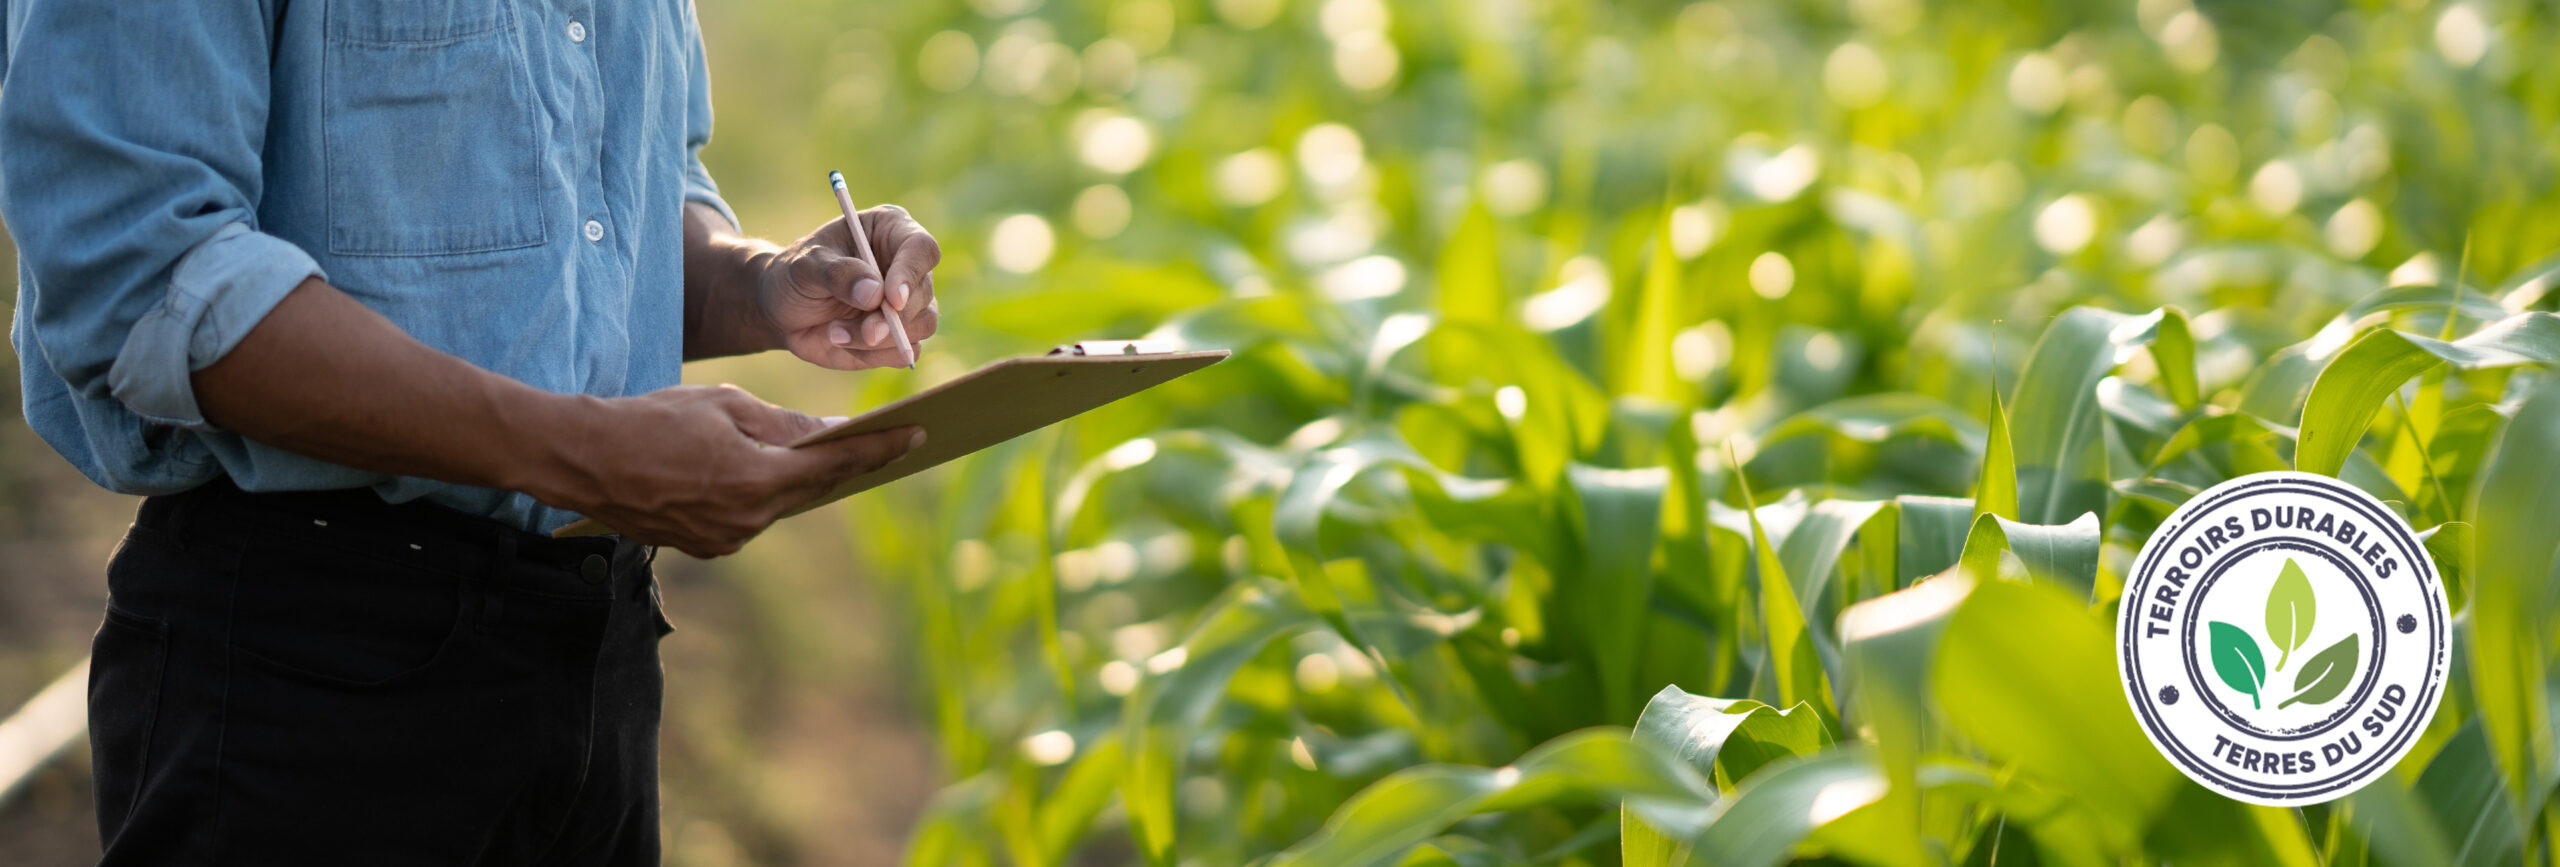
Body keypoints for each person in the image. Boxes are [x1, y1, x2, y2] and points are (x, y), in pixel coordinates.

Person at [0, 1, 937, 862]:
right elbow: (143, 277)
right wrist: (583, 452)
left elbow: (606, 222)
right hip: (311, 670)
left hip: (597, 660)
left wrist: (759, 282)